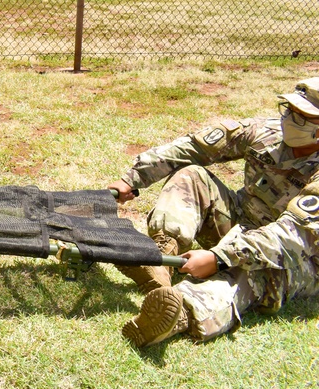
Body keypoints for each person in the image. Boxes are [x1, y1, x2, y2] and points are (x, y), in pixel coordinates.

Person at [108, 77, 319, 346]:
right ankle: (162, 257)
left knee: (254, 273)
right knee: (191, 176)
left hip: (298, 256)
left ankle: (181, 311)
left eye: (303, 116)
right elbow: (196, 146)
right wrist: (134, 178)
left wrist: (219, 257)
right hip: (245, 220)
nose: (290, 119)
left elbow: (288, 237)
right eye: (289, 109)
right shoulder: (267, 133)